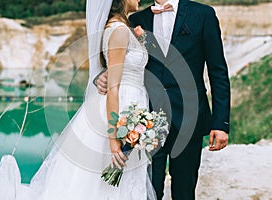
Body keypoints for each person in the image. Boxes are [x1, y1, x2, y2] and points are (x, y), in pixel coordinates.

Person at [0, 0, 157, 199]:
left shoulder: (122, 28)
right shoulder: (119, 30)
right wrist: (113, 141)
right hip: (118, 110)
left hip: (130, 106)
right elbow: (113, 88)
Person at [95, 0, 231, 199]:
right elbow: (120, 62)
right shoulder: (136, 20)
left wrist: (220, 123)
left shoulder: (203, 14)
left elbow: (218, 71)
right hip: (145, 121)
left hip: (189, 118)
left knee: (185, 190)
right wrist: (100, 77)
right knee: (148, 190)